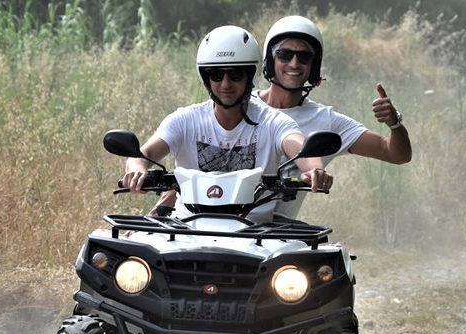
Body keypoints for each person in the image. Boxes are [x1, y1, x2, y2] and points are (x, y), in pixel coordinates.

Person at [122, 25, 332, 223]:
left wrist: (314, 170)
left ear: (250, 75)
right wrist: (137, 169)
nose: (225, 84)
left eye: (235, 74)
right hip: (185, 229)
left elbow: (299, 146)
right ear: (206, 77)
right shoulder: (184, 120)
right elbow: (144, 154)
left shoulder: (274, 122)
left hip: (257, 235)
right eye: (216, 74)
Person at [254, 15, 412, 220]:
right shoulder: (244, 106)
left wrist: (394, 123)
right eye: (285, 55)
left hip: (280, 235)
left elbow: (395, 154)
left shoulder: (326, 121)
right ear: (270, 59)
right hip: (224, 224)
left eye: (304, 57)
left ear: (314, 66)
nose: (294, 63)